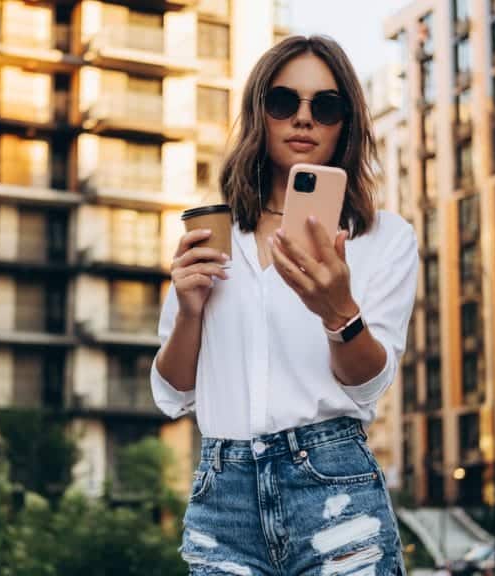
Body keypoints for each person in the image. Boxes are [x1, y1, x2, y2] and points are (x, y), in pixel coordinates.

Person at [151, 35, 418, 576]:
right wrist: (189, 311)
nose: (303, 119)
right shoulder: (215, 233)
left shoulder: (382, 238)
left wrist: (339, 312)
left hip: (334, 484)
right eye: (283, 102)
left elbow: (368, 383)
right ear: (260, 114)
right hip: (222, 491)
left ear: (346, 122)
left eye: (325, 106)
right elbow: (174, 393)